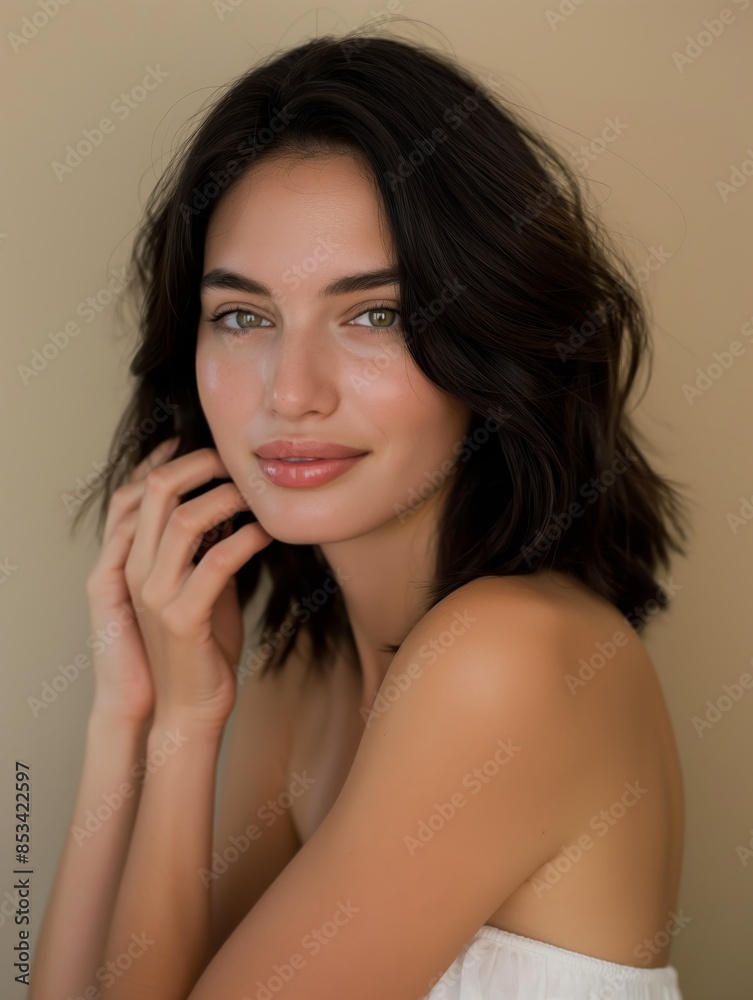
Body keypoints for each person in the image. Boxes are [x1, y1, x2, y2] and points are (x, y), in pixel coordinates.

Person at [30, 29, 691, 1000]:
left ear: (489, 337)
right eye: (244, 316)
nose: (291, 393)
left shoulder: (506, 660)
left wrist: (182, 728)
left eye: (374, 314)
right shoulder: (311, 667)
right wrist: (137, 716)